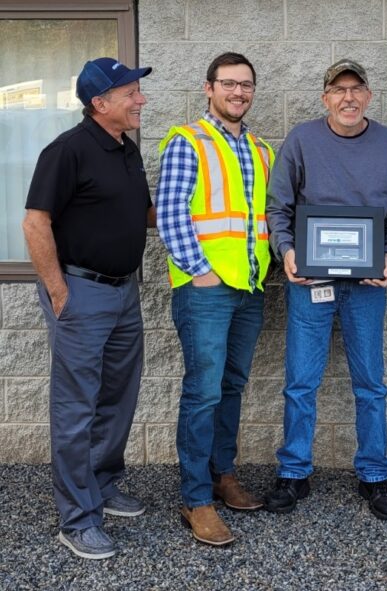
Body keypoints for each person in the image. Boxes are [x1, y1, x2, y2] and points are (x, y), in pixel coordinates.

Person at [264, 59, 387, 520]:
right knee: (300, 382)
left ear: (369, 96)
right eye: (338, 89)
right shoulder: (301, 141)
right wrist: (287, 251)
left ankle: (374, 473)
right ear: (325, 98)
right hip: (311, 280)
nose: (348, 97)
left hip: (367, 285)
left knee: (370, 384)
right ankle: (294, 472)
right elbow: (278, 208)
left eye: (357, 89)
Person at [23, 58, 155, 560]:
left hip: (123, 292)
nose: (140, 100)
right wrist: (59, 292)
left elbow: (141, 214)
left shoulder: (126, 150)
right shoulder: (67, 151)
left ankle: (101, 482)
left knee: (118, 395)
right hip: (81, 291)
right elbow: (36, 224)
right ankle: (77, 519)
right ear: (100, 103)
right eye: (130, 94)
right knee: (76, 405)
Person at [156, 52, 274, 546]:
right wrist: (200, 272)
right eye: (228, 84)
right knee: (203, 391)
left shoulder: (262, 149)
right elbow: (169, 213)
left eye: (246, 85)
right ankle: (195, 498)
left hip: (249, 287)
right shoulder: (189, 141)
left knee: (231, 385)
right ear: (209, 88)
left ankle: (223, 475)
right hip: (205, 289)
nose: (238, 92)